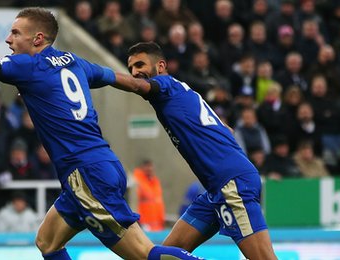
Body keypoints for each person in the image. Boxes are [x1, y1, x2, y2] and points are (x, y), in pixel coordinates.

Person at [0, 8, 202, 260]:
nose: (8, 40)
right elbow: (116, 78)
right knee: (47, 241)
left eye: (15, 33)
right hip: (99, 165)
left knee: (144, 254)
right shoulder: (75, 62)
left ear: (37, 39)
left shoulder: (26, 65)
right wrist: (154, 87)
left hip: (85, 174)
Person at [104, 42, 276, 259]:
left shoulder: (163, 84)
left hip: (232, 184)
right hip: (216, 190)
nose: (135, 72)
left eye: (140, 64)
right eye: (131, 69)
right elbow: (227, 129)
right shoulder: (181, 92)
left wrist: (95, 73)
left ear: (161, 66)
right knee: (167, 256)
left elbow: (138, 86)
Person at [133, 160, 165, 232]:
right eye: (147, 166)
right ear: (142, 167)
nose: (149, 169)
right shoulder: (137, 181)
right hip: (144, 225)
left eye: (151, 166)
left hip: (157, 226)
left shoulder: (155, 181)